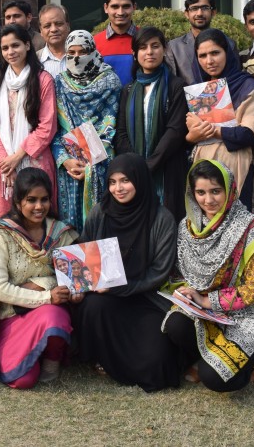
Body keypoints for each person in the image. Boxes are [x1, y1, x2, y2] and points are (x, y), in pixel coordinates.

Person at [162, 160, 254, 392]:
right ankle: (210, 355)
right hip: (204, 312)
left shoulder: (252, 230)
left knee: (215, 380)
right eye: (200, 192)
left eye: (216, 191)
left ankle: (252, 360)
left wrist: (207, 301)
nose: (208, 200)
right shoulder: (188, 227)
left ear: (230, 190)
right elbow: (182, 272)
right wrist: (189, 294)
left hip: (249, 315)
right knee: (175, 325)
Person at [71, 154, 181, 392]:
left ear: (140, 181)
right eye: (112, 182)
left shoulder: (161, 218)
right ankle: (100, 358)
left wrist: (123, 287)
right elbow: (85, 251)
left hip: (146, 299)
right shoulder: (101, 212)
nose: (118, 189)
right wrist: (79, 284)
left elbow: (159, 272)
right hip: (106, 298)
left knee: (156, 363)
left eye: (125, 181)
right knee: (92, 307)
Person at [0, 168, 75, 388]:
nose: (39, 207)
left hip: (49, 313)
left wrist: (42, 286)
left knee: (54, 315)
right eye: (31, 200)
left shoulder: (61, 234)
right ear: (18, 202)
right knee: (23, 381)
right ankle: (32, 355)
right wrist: (46, 294)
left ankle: (51, 361)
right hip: (12, 316)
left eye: (44, 200)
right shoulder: (2, 234)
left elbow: (71, 279)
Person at [113, 27, 189, 222]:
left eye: (155, 46)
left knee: (167, 222)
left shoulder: (176, 86)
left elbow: (175, 131)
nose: (149, 52)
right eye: (143, 47)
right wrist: (136, 166)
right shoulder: (128, 90)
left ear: (164, 50)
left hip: (168, 169)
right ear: (135, 53)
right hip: (135, 173)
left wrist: (149, 165)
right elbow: (120, 133)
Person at [184, 28, 254, 206]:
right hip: (202, 166)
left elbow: (249, 134)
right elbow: (188, 136)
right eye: (202, 55)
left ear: (227, 53)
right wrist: (192, 136)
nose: (209, 61)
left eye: (215, 53)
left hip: (236, 165)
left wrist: (210, 129)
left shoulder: (246, 85)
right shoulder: (197, 89)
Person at [51, 30, 121, 229]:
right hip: (69, 170)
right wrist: (65, 160)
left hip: (101, 164)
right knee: (71, 229)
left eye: (83, 52)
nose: (76, 57)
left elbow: (110, 124)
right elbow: (55, 128)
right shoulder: (60, 83)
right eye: (71, 52)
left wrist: (90, 163)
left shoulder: (110, 81)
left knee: (101, 226)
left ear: (93, 51)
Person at [0, 24, 58, 218]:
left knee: (37, 214)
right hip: (3, 167)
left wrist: (17, 157)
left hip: (35, 161)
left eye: (15, 45)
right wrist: (5, 161)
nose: (10, 52)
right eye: (5, 48)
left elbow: (47, 126)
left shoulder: (43, 80)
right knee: (7, 220)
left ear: (27, 45)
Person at [165, 0, 236, 85]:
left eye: (205, 8)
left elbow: (235, 79)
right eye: (194, 8)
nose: (199, 13)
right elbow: (172, 85)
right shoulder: (174, 48)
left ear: (213, 12)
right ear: (186, 14)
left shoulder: (229, 44)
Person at [93, 0, 139, 86]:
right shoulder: (94, 43)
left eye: (126, 6)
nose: (120, 12)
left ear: (134, 7)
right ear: (106, 8)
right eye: (115, 7)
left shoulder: (146, 39)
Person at [37, 3, 71, 78]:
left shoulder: (83, 56)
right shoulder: (34, 61)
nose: (53, 29)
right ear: (41, 31)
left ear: (68, 26)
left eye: (58, 24)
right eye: (47, 26)